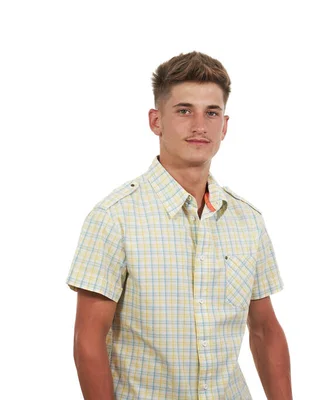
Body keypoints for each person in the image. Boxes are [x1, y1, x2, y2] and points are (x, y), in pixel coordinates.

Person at [66, 51, 292, 400]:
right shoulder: (114, 217)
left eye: (211, 113)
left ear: (225, 126)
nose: (200, 125)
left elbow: (264, 329)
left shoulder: (248, 220)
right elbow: (88, 338)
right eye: (184, 111)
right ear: (156, 121)